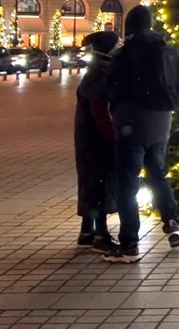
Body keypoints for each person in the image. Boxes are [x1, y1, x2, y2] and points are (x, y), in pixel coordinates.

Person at [103, 5, 179, 263]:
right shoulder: (167, 50)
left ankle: (129, 244)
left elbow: (113, 88)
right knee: (158, 174)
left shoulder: (126, 53)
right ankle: (172, 223)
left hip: (132, 122)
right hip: (161, 121)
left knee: (127, 183)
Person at [74, 30, 121, 253]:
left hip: (88, 139)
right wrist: (112, 136)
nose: (120, 44)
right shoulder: (102, 73)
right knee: (99, 185)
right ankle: (101, 234)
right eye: (117, 42)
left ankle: (86, 231)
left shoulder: (96, 70)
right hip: (96, 140)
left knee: (92, 183)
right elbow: (100, 111)